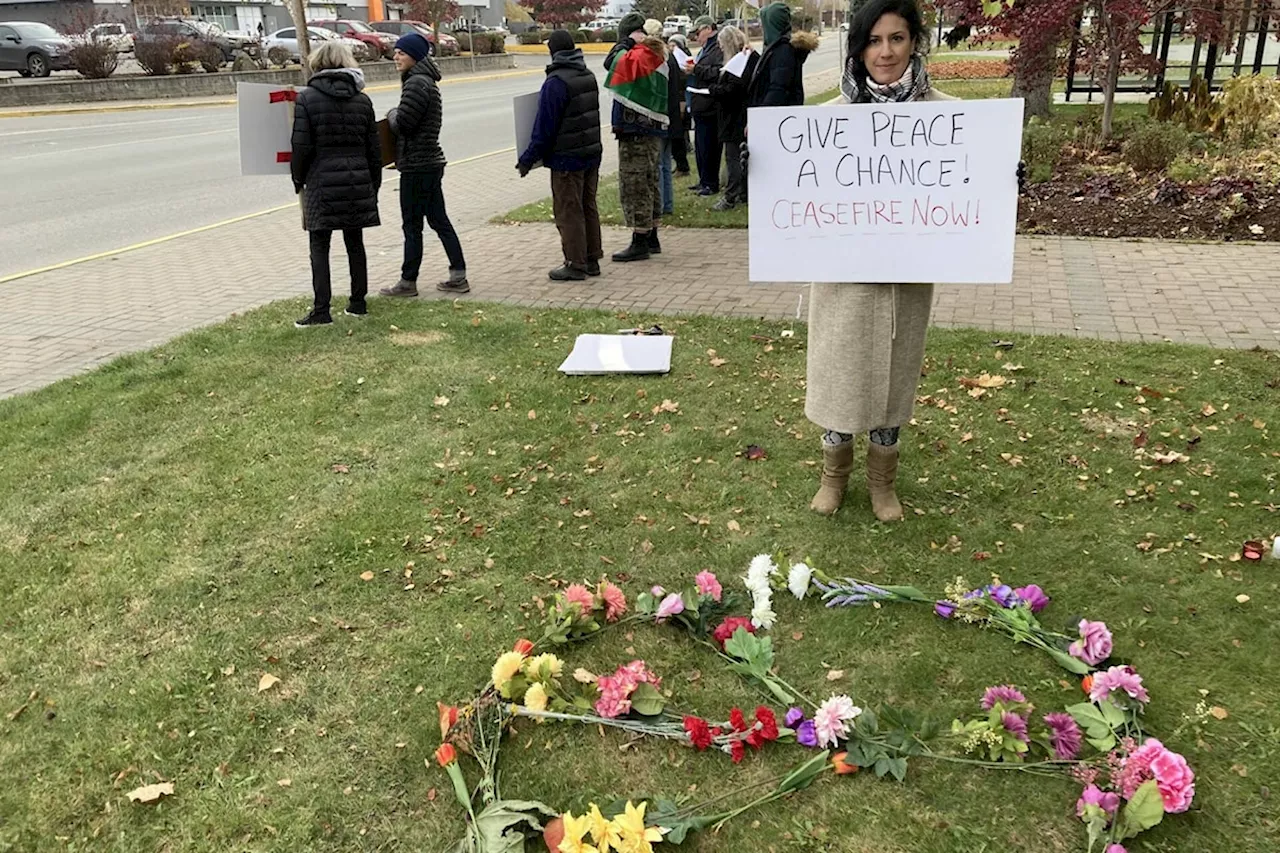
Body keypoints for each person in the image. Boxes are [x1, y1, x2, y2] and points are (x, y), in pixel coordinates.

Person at [804, 0, 954, 521]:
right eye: (873, 40)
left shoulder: (946, 116)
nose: (885, 51)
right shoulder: (827, 122)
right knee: (838, 370)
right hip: (843, 275)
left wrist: (1002, 175)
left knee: (893, 371)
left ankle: (882, 481)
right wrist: (765, 167)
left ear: (914, 41)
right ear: (858, 47)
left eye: (896, 38)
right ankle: (834, 475)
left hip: (903, 277)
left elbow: (966, 188)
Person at [289, 40, 382, 327]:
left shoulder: (306, 99)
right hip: (357, 179)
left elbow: (301, 146)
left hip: (321, 181)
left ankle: (321, 309)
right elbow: (373, 150)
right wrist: (373, 185)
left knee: (319, 244)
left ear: (317, 64)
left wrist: (298, 179)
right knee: (355, 242)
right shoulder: (363, 100)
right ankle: (358, 302)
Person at [380, 32, 469, 298]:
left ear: (415, 57)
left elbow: (404, 123)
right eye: (395, 52)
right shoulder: (424, 81)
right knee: (438, 220)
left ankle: (408, 282)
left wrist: (391, 113)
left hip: (418, 165)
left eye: (402, 53)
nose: (396, 57)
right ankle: (458, 274)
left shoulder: (417, 83)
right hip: (428, 162)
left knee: (413, 225)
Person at [515, 29, 604, 281]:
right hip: (591, 152)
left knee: (568, 210)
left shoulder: (556, 82)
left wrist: (527, 159)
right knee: (588, 206)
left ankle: (575, 263)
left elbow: (544, 127)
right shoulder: (587, 74)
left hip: (567, 157)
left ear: (553, 51)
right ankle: (592, 257)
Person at [603, 12, 669, 262]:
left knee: (636, 184)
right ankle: (651, 236)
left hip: (637, 132)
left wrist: (623, 45)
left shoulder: (642, 54)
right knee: (650, 181)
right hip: (649, 130)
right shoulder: (654, 53)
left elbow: (611, 62)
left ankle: (640, 239)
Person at [706, 25, 756, 211]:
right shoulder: (746, 59)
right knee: (739, 156)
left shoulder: (739, 62)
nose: (719, 47)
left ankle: (731, 196)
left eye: (720, 44)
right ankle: (742, 193)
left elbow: (733, 90)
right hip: (737, 115)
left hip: (734, 117)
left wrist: (712, 90)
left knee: (733, 157)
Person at [746, 2, 818, 108]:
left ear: (772, 24)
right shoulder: (778, 47)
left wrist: (761, 114)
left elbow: (778, 88)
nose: (761, 27)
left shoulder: (783, 50)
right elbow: (769, 70)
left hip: (777, 116)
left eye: (764, 23)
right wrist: (753, 55)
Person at [685, 16, 722, 196]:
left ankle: (711, 182)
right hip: (700, 104)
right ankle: (703, 180)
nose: (697, 37)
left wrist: (697, 69)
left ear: (708, 28)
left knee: (709, 146)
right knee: (700, 145)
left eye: (698, 33)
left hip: (710, 104)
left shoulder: (719, 47)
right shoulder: (705, 48)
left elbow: (718, 72)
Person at [666, 33, 692, 175]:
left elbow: (682, 83)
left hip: (681, 100)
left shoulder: (684, 60)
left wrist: (682, 102)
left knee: (678, 135)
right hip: (676, 100)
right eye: (670, 45)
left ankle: (683, 165)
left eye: (674, 45)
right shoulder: (671, 59)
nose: (671, 48)